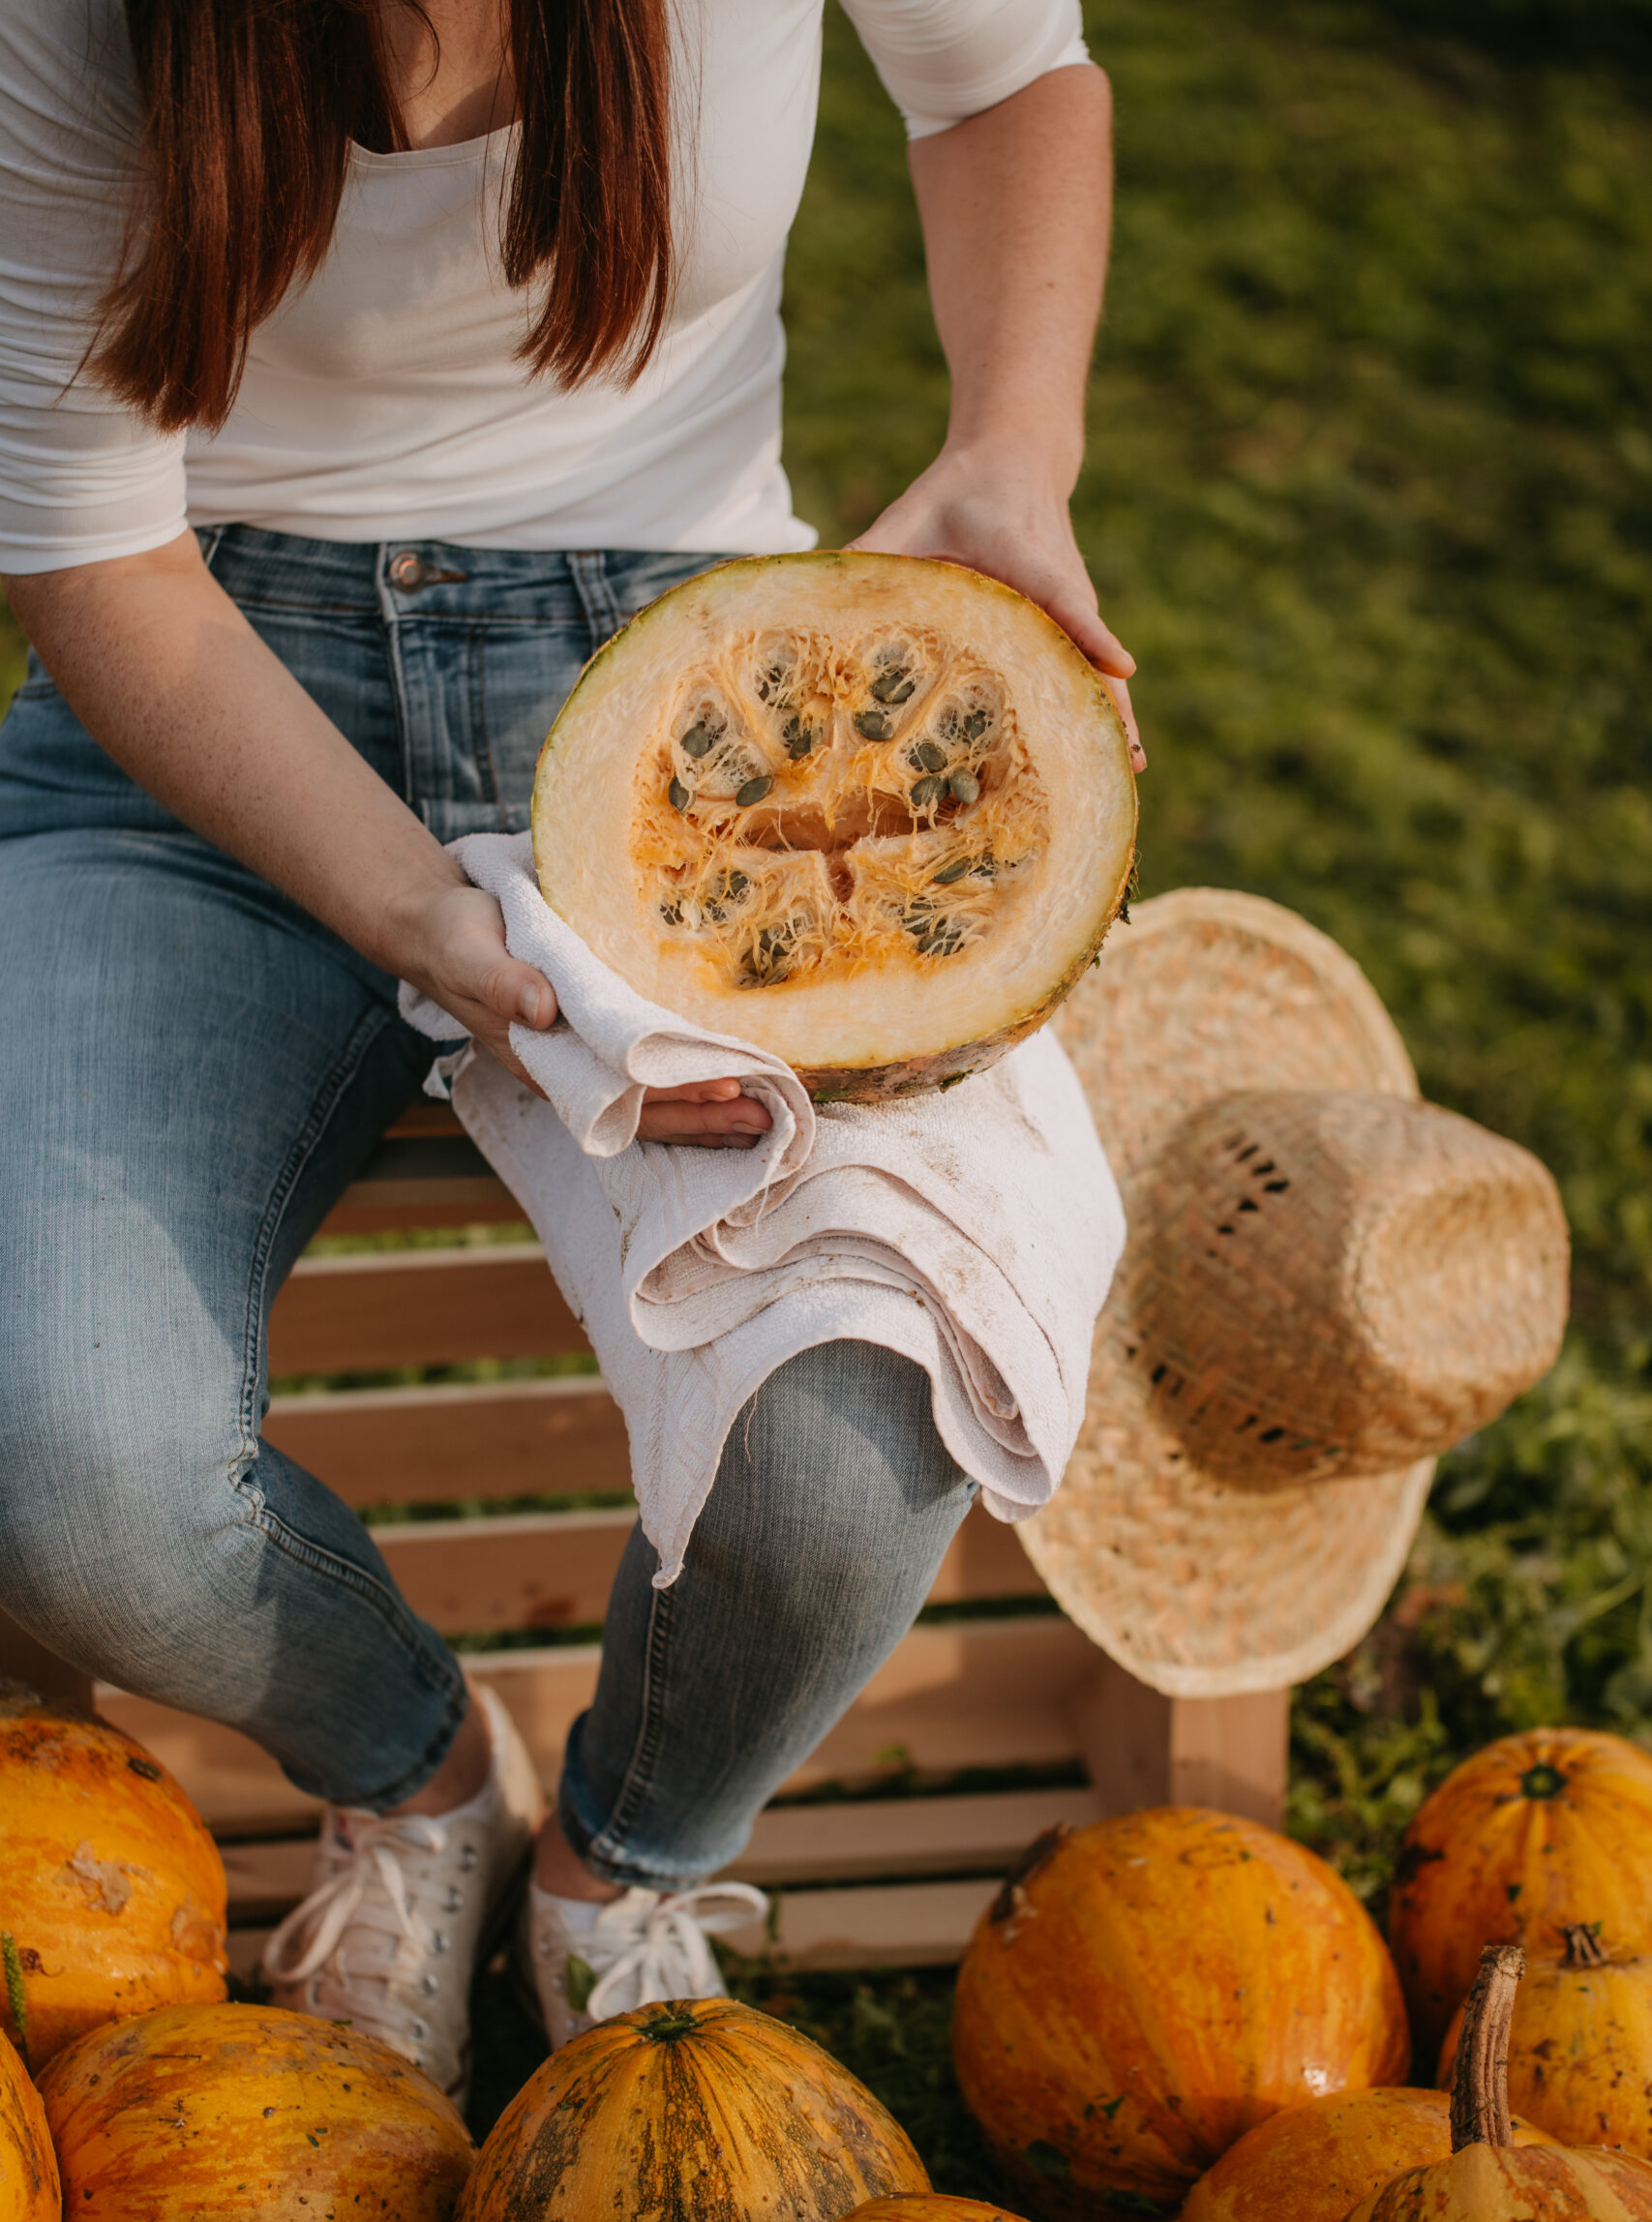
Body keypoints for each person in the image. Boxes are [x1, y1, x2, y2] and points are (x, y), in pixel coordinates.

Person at [0, 0, 1143, 2101]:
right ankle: (420, 1775)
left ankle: (620, 1861)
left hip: (685, 690)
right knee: (58, 1466)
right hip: (192, 716)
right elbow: (89, 545)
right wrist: (419, 909)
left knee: (864, 1403)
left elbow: (1000, 75)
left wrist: (1010, 451)